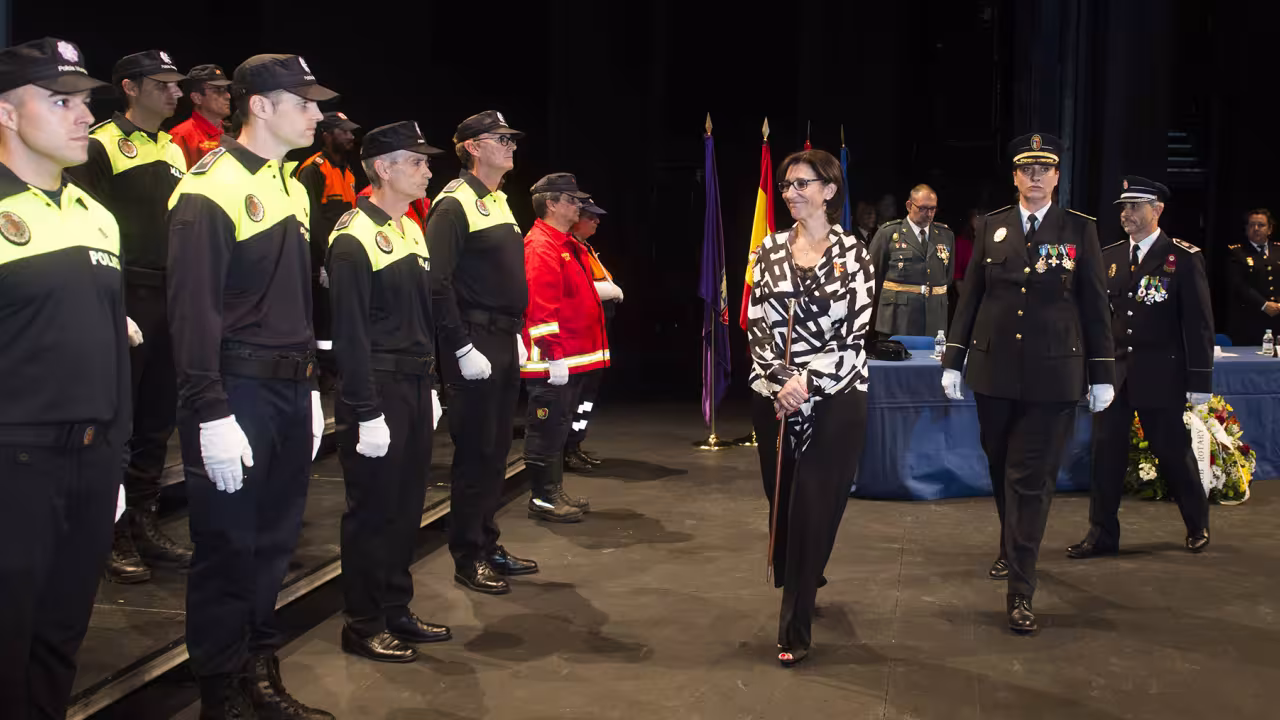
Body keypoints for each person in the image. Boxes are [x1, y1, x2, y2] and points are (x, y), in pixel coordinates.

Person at [167, 53, 335, 719]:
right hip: (236, 389)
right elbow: (193, 310)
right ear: (260, 106)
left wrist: (313, 385)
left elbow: (293, 302)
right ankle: (222, 691)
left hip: (289, 388)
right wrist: (209, 409)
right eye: (306, 102)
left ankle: (260, 671)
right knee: (227, 546)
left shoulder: (290, 186)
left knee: (274, 542)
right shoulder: (208, 187)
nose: (318, 114)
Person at [0, 36, 131, 720]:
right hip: (14, 460)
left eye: (84, 102)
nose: (83, 116)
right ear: (8, 113)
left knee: (61, 636)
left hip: (91, 458)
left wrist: (116, 453)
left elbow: (114, 342)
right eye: (60, 101)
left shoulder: (96, 215)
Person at [941, 133, 1114, 635]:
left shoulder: (1080, 229)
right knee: (1001, 469)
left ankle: (1021, 589)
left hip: (1054, 377)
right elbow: (970, 297)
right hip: (994, 374)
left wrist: (1101, 372)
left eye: (1045, 170)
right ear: (1015, 176)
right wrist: (954, 359)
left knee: (1031, 482)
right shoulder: (992, 226)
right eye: (1026, 170)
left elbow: (1094, 305)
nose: (1035, 177)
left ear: (1057, 177)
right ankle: (1009, 542)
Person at [328, 121, 452, 663]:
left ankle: (396, 607)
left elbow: (420, 317)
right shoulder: (353, 235)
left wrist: (431, 385)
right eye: (417, 162)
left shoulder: (410, 229)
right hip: (375, 386)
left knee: (405, 507)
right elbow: (350, 334)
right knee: (372, 511)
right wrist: (365, 409)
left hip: (412, 383)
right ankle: (362, 622)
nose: (428, 170)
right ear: (384, 168)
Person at [68, 49, 192, 584]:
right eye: (163, 84)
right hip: (128, 294)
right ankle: (110, 533)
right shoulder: (98, 144)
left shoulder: (172, 148)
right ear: (130, 87)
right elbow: (84, 227)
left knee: (156, 421)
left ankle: (142, 522)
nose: (176, 93)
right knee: (118, 424)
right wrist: (111, 305)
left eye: (177, 84)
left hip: (170, 295)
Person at [747, 149, 874, 667]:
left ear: (829, 190)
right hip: (774, 396)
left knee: (815, 506)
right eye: (786, 185)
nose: (791, 192)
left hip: (837, 394)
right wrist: (781, 382)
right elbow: (756, 328)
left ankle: (794, 625)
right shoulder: (769, 251)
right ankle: (804, 568)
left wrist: (808, 381)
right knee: (783, 505)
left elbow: (856, 336)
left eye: (802, 183)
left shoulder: (856, 253)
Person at [1067, 176, 1213, 558]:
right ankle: (1102, 534)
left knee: (1173, 452)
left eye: (1135, 206)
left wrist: (1200, 380)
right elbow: (1096, 321)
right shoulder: (1110, 256)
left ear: (1157, 209)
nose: (1126, 214)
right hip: (1116, 375)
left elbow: (1198, 326)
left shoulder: (1181, 257)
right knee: (1106, 455)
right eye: (1123, 207)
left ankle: (1197, 523)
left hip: (1161, 374)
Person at [426, 110, 538, 595]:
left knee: (495, 451)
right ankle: (468, 554)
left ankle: (487, 540)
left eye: (512, 137)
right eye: (501, 138)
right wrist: (461, 345)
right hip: (472, 339)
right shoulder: (454, 204)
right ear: (472, 146)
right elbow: (436, 281)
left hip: (501, 336)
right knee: (474, 452)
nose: (511, 144)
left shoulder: (497, 201)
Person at [520, 173, 608, 521]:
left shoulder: (563, 243)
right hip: (552, 360)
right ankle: (543, 497)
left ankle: (553, 491)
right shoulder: (541, 245)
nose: (579, 207)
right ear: (552, 204)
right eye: (572, 200)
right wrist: (553, 354)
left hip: (569, 356)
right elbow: (540, 305)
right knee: (546, 428)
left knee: (557, 427)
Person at [296, 111, 360, 387]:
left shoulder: (348, 173)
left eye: (350, 131)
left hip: (342, 260)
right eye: (343, 131)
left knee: (340, 316)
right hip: (319, 264)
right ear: (327, 134)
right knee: (322, 320)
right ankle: (322, 374)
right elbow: (309, 220)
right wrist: (322, 263)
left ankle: (339, 369)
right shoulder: (313, 169)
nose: (350, 136)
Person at [563, 198, 621, 472]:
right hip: (578, 338)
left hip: (596, 333)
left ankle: (575, 444)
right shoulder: (566, 249)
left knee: (587, 397)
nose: (597, 221)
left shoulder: (585, 247)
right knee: (574, 396)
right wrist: (606, 292)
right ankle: (565, 448)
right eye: (591, 217)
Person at [868, 184, 954, 338]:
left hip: (934, 317)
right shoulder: (889, 233)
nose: (928, 214)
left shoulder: (945, 235)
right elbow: (872, 276)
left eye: (933, 209)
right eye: (923, 208)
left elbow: (947, 277)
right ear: (909, 206)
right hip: (898, 317)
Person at [1224, 209, 1280, 347]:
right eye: (1251, 225)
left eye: (1261, 225)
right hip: (1250, 320)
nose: (1256, 229)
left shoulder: (1278, 250)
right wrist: (1264, 304)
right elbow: (1238, 285)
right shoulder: (1237, 252)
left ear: (1270, 229)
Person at [169, 64, 232, 169]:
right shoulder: (181, 136)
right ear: (197, 98)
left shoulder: (234, 131)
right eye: (218, 90)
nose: (227, 96)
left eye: (225, 89)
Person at [949, 208, 979, 327]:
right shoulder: (962, 243)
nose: (980, 221)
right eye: (976, 217)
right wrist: (967, 301)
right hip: (966, 297)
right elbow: (957, 276)